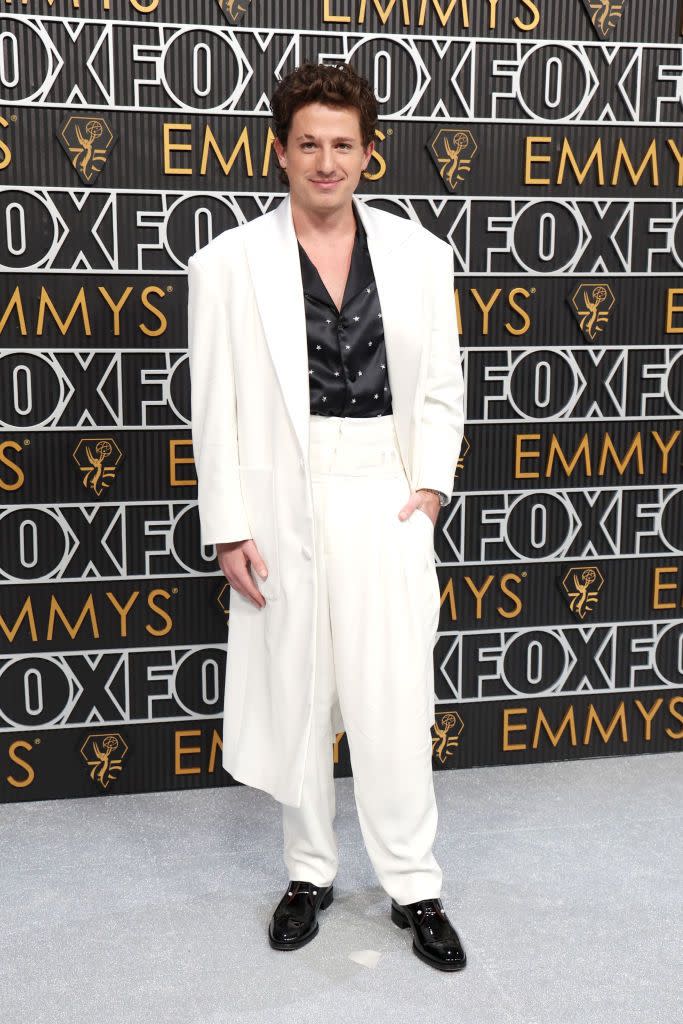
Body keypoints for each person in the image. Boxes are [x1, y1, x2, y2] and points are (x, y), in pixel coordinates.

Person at [187, 61, 466, 971]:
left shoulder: (423, 257)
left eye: (342, 144)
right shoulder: (225, 264)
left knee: (394, 699)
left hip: (383, 494)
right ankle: (307, 872)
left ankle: (413, 886)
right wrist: (229, 525)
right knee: (299, 698)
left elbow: (438, 389)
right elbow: (215, 404)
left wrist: (426, 492)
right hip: (282, 504)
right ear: (280, 150)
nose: (325, 159)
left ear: (368, 153)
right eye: (307, 142)